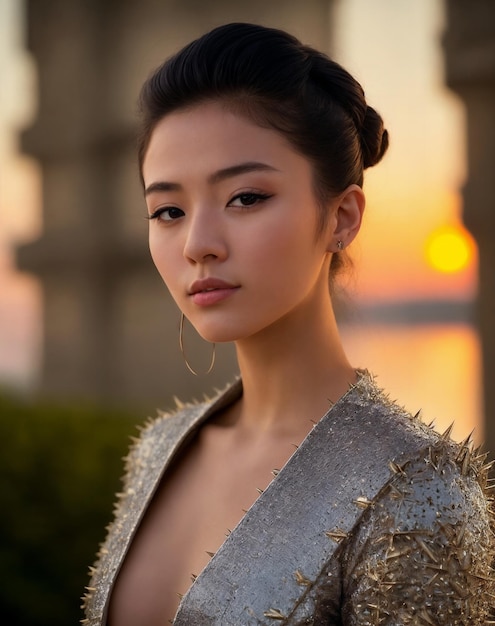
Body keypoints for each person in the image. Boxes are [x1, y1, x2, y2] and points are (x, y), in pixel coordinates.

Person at [82, 23, 495, 625]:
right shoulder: (158, 449)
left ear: (342, 217)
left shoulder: (419, 494)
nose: (198, 244)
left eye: (246, 198)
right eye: (168, 210)